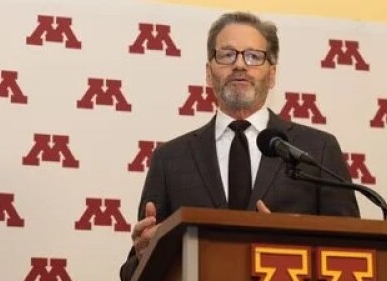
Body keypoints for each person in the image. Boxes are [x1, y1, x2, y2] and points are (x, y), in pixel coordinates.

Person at [120, 11, 359, 281]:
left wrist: (292, 242)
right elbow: (131, 273)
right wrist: (145, 254)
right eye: (227, 55)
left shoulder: (317, 149)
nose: (240, 65)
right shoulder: (170, 159)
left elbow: (354, 257)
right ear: (209, 73)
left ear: (271, 75)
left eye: (254, 56)